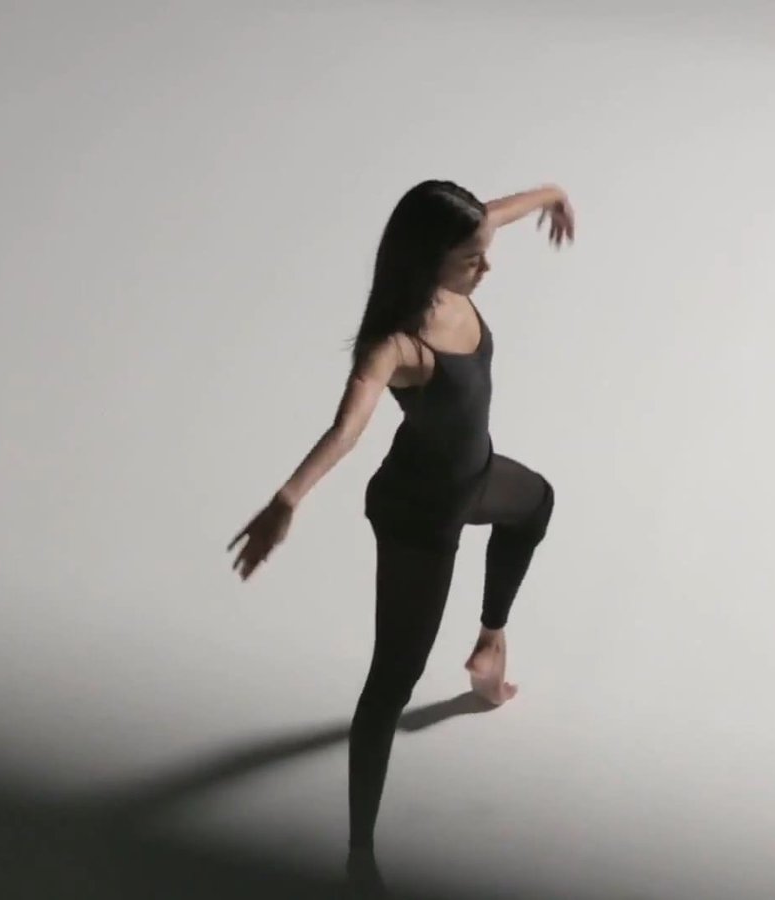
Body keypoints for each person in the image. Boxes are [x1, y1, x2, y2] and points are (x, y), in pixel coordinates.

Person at [227, 179, 574, 894]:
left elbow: (498, 214)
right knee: (392, 684)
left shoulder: (464, 245)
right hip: (419, 513)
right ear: (428, 259)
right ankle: (360, 855)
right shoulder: (397, 343)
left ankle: (489, 642)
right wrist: (287, 498)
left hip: (474, 477)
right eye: (472, 259)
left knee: (536, 504)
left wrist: (552, 195)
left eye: (483, 251)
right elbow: (346, 428)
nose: (487, 267)